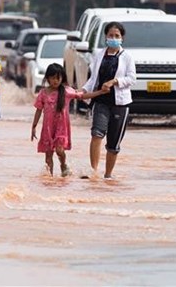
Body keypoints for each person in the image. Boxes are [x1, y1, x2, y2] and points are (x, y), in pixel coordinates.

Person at [81, 21, 136, 179]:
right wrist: (83, 91)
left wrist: (115, 81)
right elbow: (94, 79)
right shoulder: (99, 54)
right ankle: (94, 172)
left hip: (120, 104)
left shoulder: (127, 57)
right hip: (101, 102)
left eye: (116, 36)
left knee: (113, 144)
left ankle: (108, 175)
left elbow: (132, 78)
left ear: (122, 38)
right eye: (110, 35)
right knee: (96, 134)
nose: (113, 38)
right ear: (106, 36)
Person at [31, 64, 108, 177]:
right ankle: (50, 180)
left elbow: (82, 96)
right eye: (52, 78)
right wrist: (34, 126)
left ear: (62, 78)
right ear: (47, 78)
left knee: (59, 150)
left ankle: (63, 164)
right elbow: (38, 110)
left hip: (61, 128)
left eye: (58, 78)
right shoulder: (43, 93)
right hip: (47, 128)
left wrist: (100, 92)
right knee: (48, 156)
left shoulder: (66, 91)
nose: (55, 81)